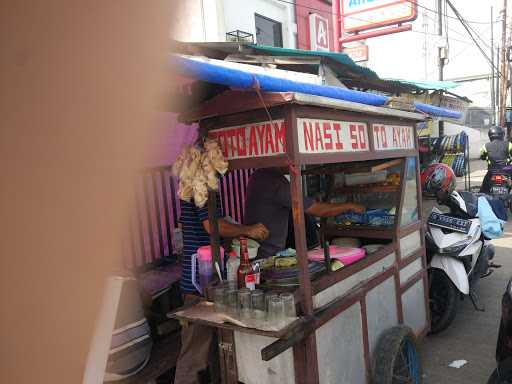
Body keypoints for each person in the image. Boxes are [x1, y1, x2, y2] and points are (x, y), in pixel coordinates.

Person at [174, 197, 269, 384]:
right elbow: (211, 225)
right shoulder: (199, 183)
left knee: (214, 352)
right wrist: (247, 230)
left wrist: (233, 232)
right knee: (194, 357)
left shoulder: (207, 185)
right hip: (198, 286)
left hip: (208, 281)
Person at [244, 167, 365, 258]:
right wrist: (350, 206)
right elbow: (320, 210)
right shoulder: (276, 182)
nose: (297, 166)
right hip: (267, 254)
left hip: (255, 250)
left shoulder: (257, 175)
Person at [480, 126, 512, 193]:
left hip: (492, 171)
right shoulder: (509, 144)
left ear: (490, 136)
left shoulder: (485, 146)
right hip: (507, 170)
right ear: (502, 135)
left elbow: (482, 156)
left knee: (484, 190)